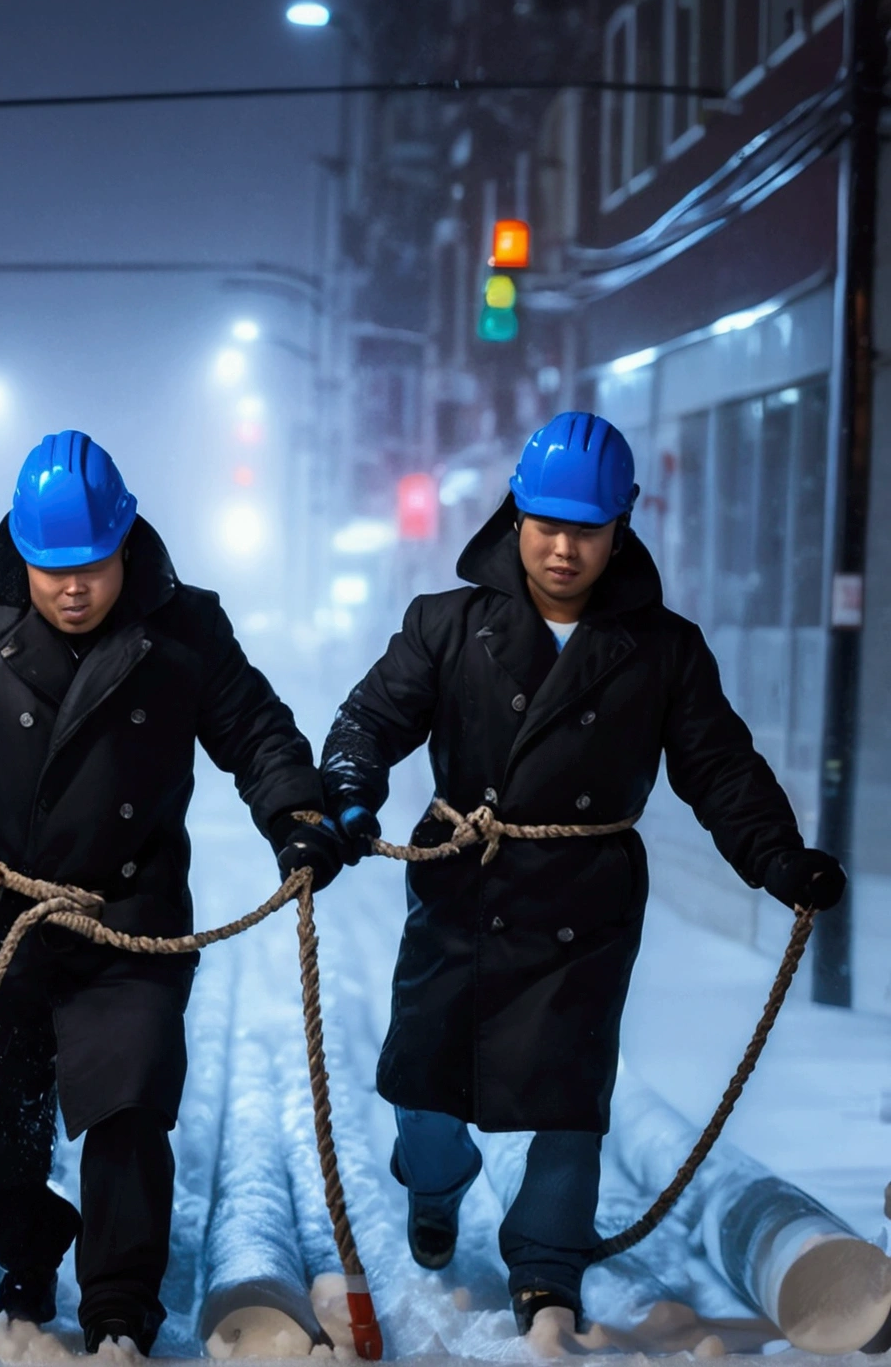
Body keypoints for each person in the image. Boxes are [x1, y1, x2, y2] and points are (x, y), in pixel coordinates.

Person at [319, 411, 847, 1334]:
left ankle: (548, 1270)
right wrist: (350, 795)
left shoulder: (663, 649)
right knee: (420, 1084)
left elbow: (718, 767)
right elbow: (368, 721)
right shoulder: (444, 625)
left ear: (623, 524)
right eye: (548, 525)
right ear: (516, 514)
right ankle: (437, 1184)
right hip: (460, 885)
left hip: (584, 899)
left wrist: (777, 857)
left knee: (571, 1098)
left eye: (588, 530)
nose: (565, 549)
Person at [0, 430, 347, 1353]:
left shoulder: (186, 629)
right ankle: (30, 1251)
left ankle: (121, 1305)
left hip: (132, 912)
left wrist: (297, 816)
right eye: (50, 567)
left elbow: (257, 731)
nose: (73, 586)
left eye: (92, 564)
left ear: (127, 544)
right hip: (1, 914)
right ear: (19, 555)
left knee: (128, 1108)